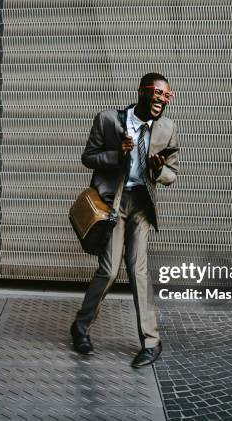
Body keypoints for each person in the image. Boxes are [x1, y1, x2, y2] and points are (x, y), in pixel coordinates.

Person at [70, 72, 179, 367]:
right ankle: (80, 327)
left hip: (141, 207)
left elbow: (172, 174)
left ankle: (151, 342)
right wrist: (116, 154)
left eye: (166, 96)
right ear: (143, 92)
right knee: (108, 271)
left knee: (138, 271)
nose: (161, 100)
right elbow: (88, 157)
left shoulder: (166, 128)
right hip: (113, 204)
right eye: (157, 94)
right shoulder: (109, 120)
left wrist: (158, 171)